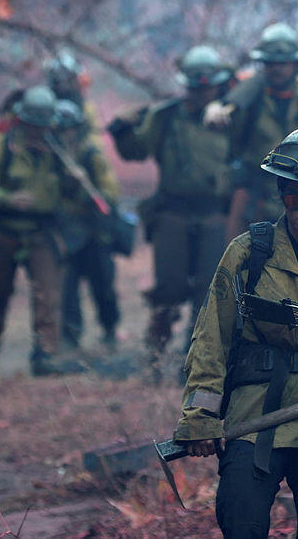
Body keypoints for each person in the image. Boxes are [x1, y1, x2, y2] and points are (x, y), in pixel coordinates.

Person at [173, 124, 298, 539]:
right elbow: (211, 337)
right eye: (296, 196)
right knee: (241, 518)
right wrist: (201, 414)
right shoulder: (249, 252)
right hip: (254, 416)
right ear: (281, 193)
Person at [107, 45, 235, 373]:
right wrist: (122, 130)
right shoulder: (165, 116)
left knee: (208, 292)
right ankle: (154, 354)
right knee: (170, 287)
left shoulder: (231, 116)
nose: (202, 92)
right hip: (172, 213)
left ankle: (194, 364)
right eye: (196, 86)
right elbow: (135, 151)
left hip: (214, 214)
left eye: (207, 86)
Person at [0, 86, 84, 377]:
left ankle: (45, 356)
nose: (38, 131)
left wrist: (75, 179)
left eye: (43, 126)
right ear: (23, 122)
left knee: (48, 293)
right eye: (34, 126)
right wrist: (8, 199)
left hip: (41, 231)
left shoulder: (58, 150)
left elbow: (70, 197)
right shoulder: (2, 146)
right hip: (2, 231)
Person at [204, 23, 298, 231]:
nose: (277, 68)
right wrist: (215, 109)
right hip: (253, 193)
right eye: (270, 63)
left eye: (283, 63)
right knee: (241, 256)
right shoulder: (248, 100)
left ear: (295, 64)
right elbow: (217, 118)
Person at [53, 99, 122, 351]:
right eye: (60, 129)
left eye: (69, 128)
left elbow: (110, 193)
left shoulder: (90, 154)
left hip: (94, 231)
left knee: (102, 285)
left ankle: (110, 329)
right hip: (66, 231)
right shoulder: (51, 157)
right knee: (67, 288)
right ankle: (70, 338)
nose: (65, 134)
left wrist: (86, 187)